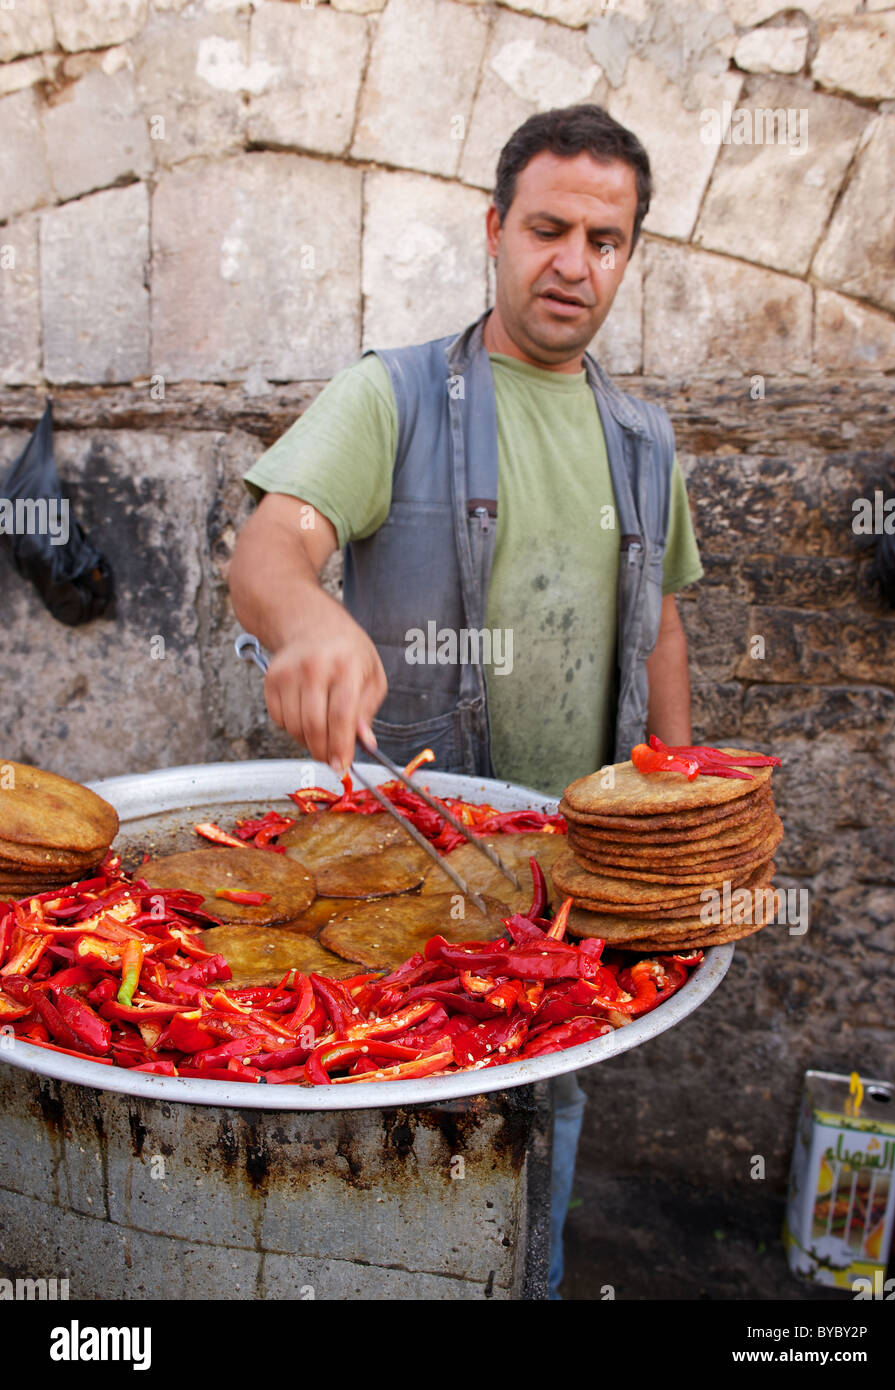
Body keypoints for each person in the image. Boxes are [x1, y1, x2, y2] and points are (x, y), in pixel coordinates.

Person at [229, 103, 704, 1298]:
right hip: (391, 899)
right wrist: (309, 617)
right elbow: (269, 551)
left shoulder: (644, 441)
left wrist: (681, 819)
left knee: (533, 1177)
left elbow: (660, 626)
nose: (572, 262)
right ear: (494, 229)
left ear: (626, 256)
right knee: (379, 1196)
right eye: (547, 228)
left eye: (603, 240)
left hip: (558, 912)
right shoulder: (388, 395)